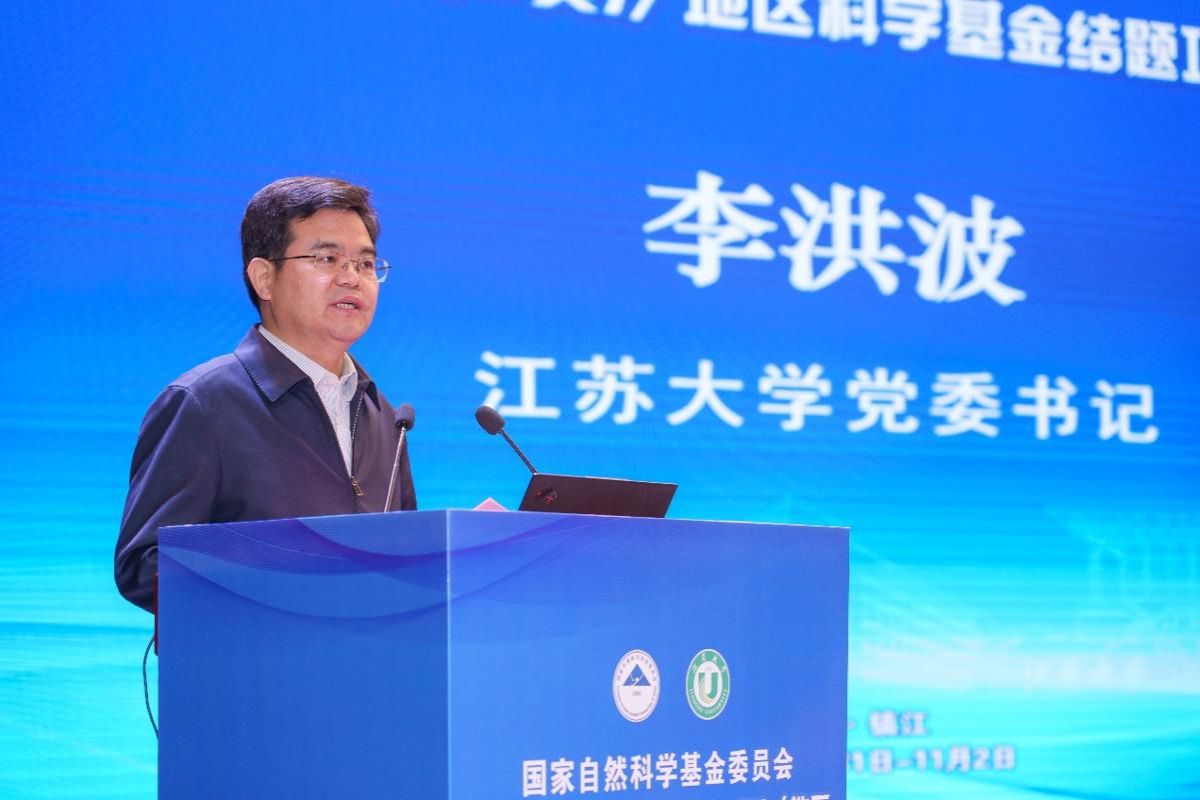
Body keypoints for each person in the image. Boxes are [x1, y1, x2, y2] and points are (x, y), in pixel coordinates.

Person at [114, 176, 416, 613]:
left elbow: (403, 560)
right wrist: (286, 569)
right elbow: (144, 567)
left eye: (366, 264)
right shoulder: (203, 403)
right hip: (254, 653)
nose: (352, 278)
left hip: (367, 654)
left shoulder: (384, 415)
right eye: (328, 258)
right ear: (264, 278)